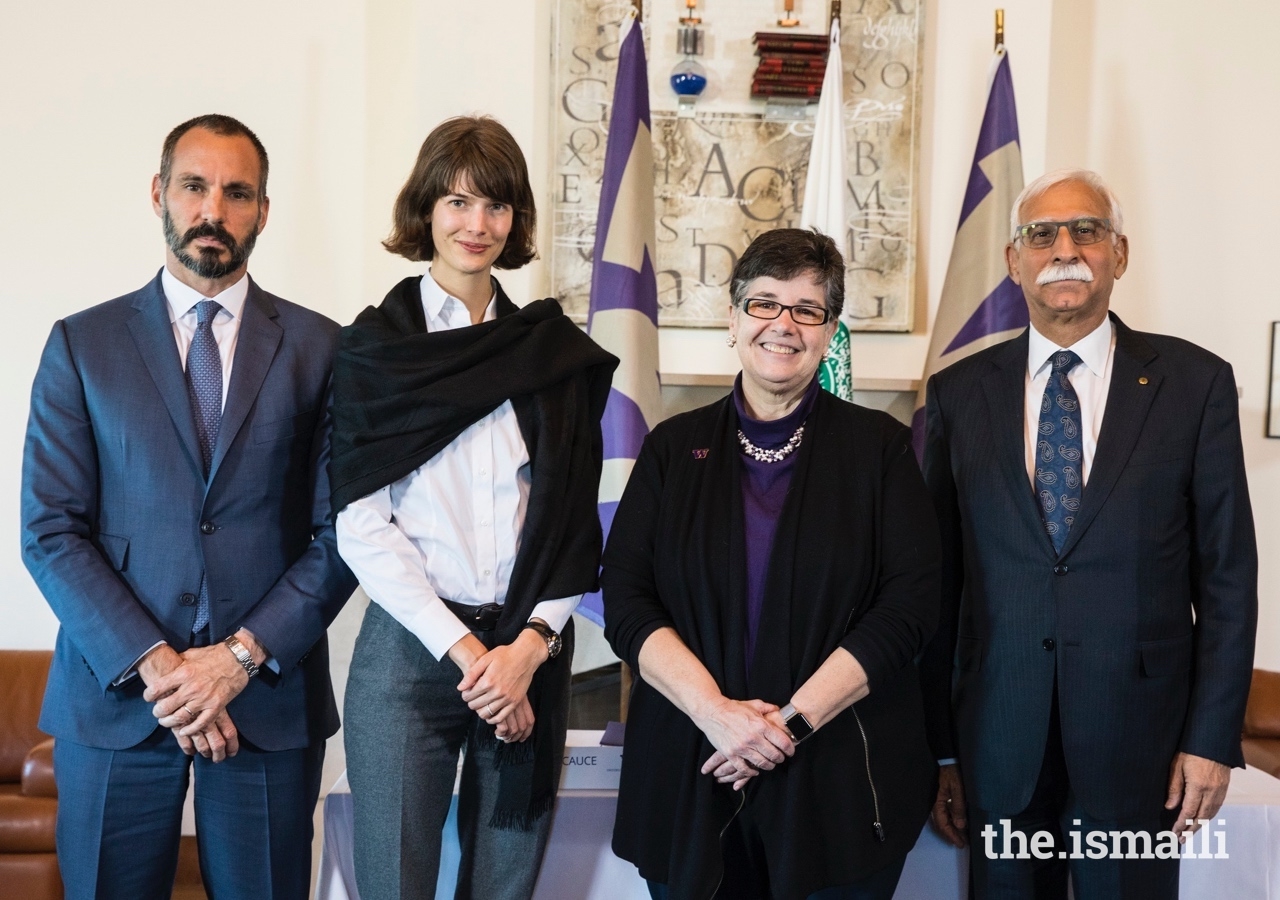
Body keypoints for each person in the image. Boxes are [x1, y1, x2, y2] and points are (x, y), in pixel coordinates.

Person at [20, 114, 358, 899]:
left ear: (264, 210)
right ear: (158, 195)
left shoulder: (324, 349)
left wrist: (236, 660)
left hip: (265, 703)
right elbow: (50, 530)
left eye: (238, 193)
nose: (215, 210)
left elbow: (342, 531)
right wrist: (167, 669)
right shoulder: (82, 344)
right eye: (195, 186)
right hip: (116, 703)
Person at [922, 169, 1258, 899]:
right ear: (1015, 261)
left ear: (1120, 253)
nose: (1064, 248)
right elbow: (936, 586)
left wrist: (1210, 740)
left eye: (1087, 230)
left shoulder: (1195, 385)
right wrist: (939, 750)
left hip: (1142, 744)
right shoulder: (957, 393)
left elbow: (1228, 578)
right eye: (1041, 234)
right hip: (997, 738)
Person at [602, 228, 941, 900]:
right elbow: (628, 599)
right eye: (763, 304)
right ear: (733, 319)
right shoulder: (672, 449)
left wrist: (785, 726)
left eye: (806, 310)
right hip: (693, 773)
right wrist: (718, 716)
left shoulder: (881, 451)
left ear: (828, 331)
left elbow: (908, 610)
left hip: (838, 783)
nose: (783, 325)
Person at [329, 115, 618, 900]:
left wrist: (524, 651)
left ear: (517, 219)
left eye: (496, 206)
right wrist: (470, 656)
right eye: (457, 203)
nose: (476, 225)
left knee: (505, 884)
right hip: (412, 653)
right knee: (394, 881)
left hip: (528, 650)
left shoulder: (547, 352)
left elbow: (569, 523)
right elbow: (357, 520)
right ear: (426, 210)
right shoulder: (375, 349)